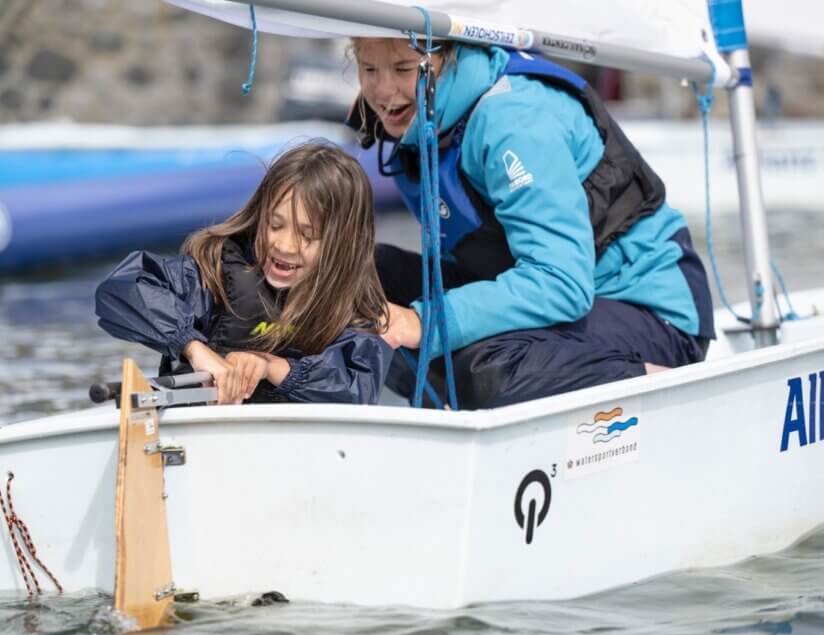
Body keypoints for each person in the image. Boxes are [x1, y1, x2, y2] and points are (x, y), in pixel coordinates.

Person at [347, 38, 715, 409]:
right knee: (351, 276)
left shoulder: (512, 120)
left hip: (649, 313)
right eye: (369, 69)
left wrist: (424, 323)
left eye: (402, 69)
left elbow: (562, 284)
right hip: (540, 302)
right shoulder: (423, 122)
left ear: (447, 58)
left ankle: (671, 392)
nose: (382, 90)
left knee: (484, 368)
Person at [95, 142, 392, 405]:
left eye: (308, 235)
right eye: (274, 225)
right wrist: (195, 350)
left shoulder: (354, 306)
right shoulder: (216, 273)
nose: (285, 245)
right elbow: (122, 288)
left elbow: (357, 389)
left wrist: (269, 367)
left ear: (344, 243)